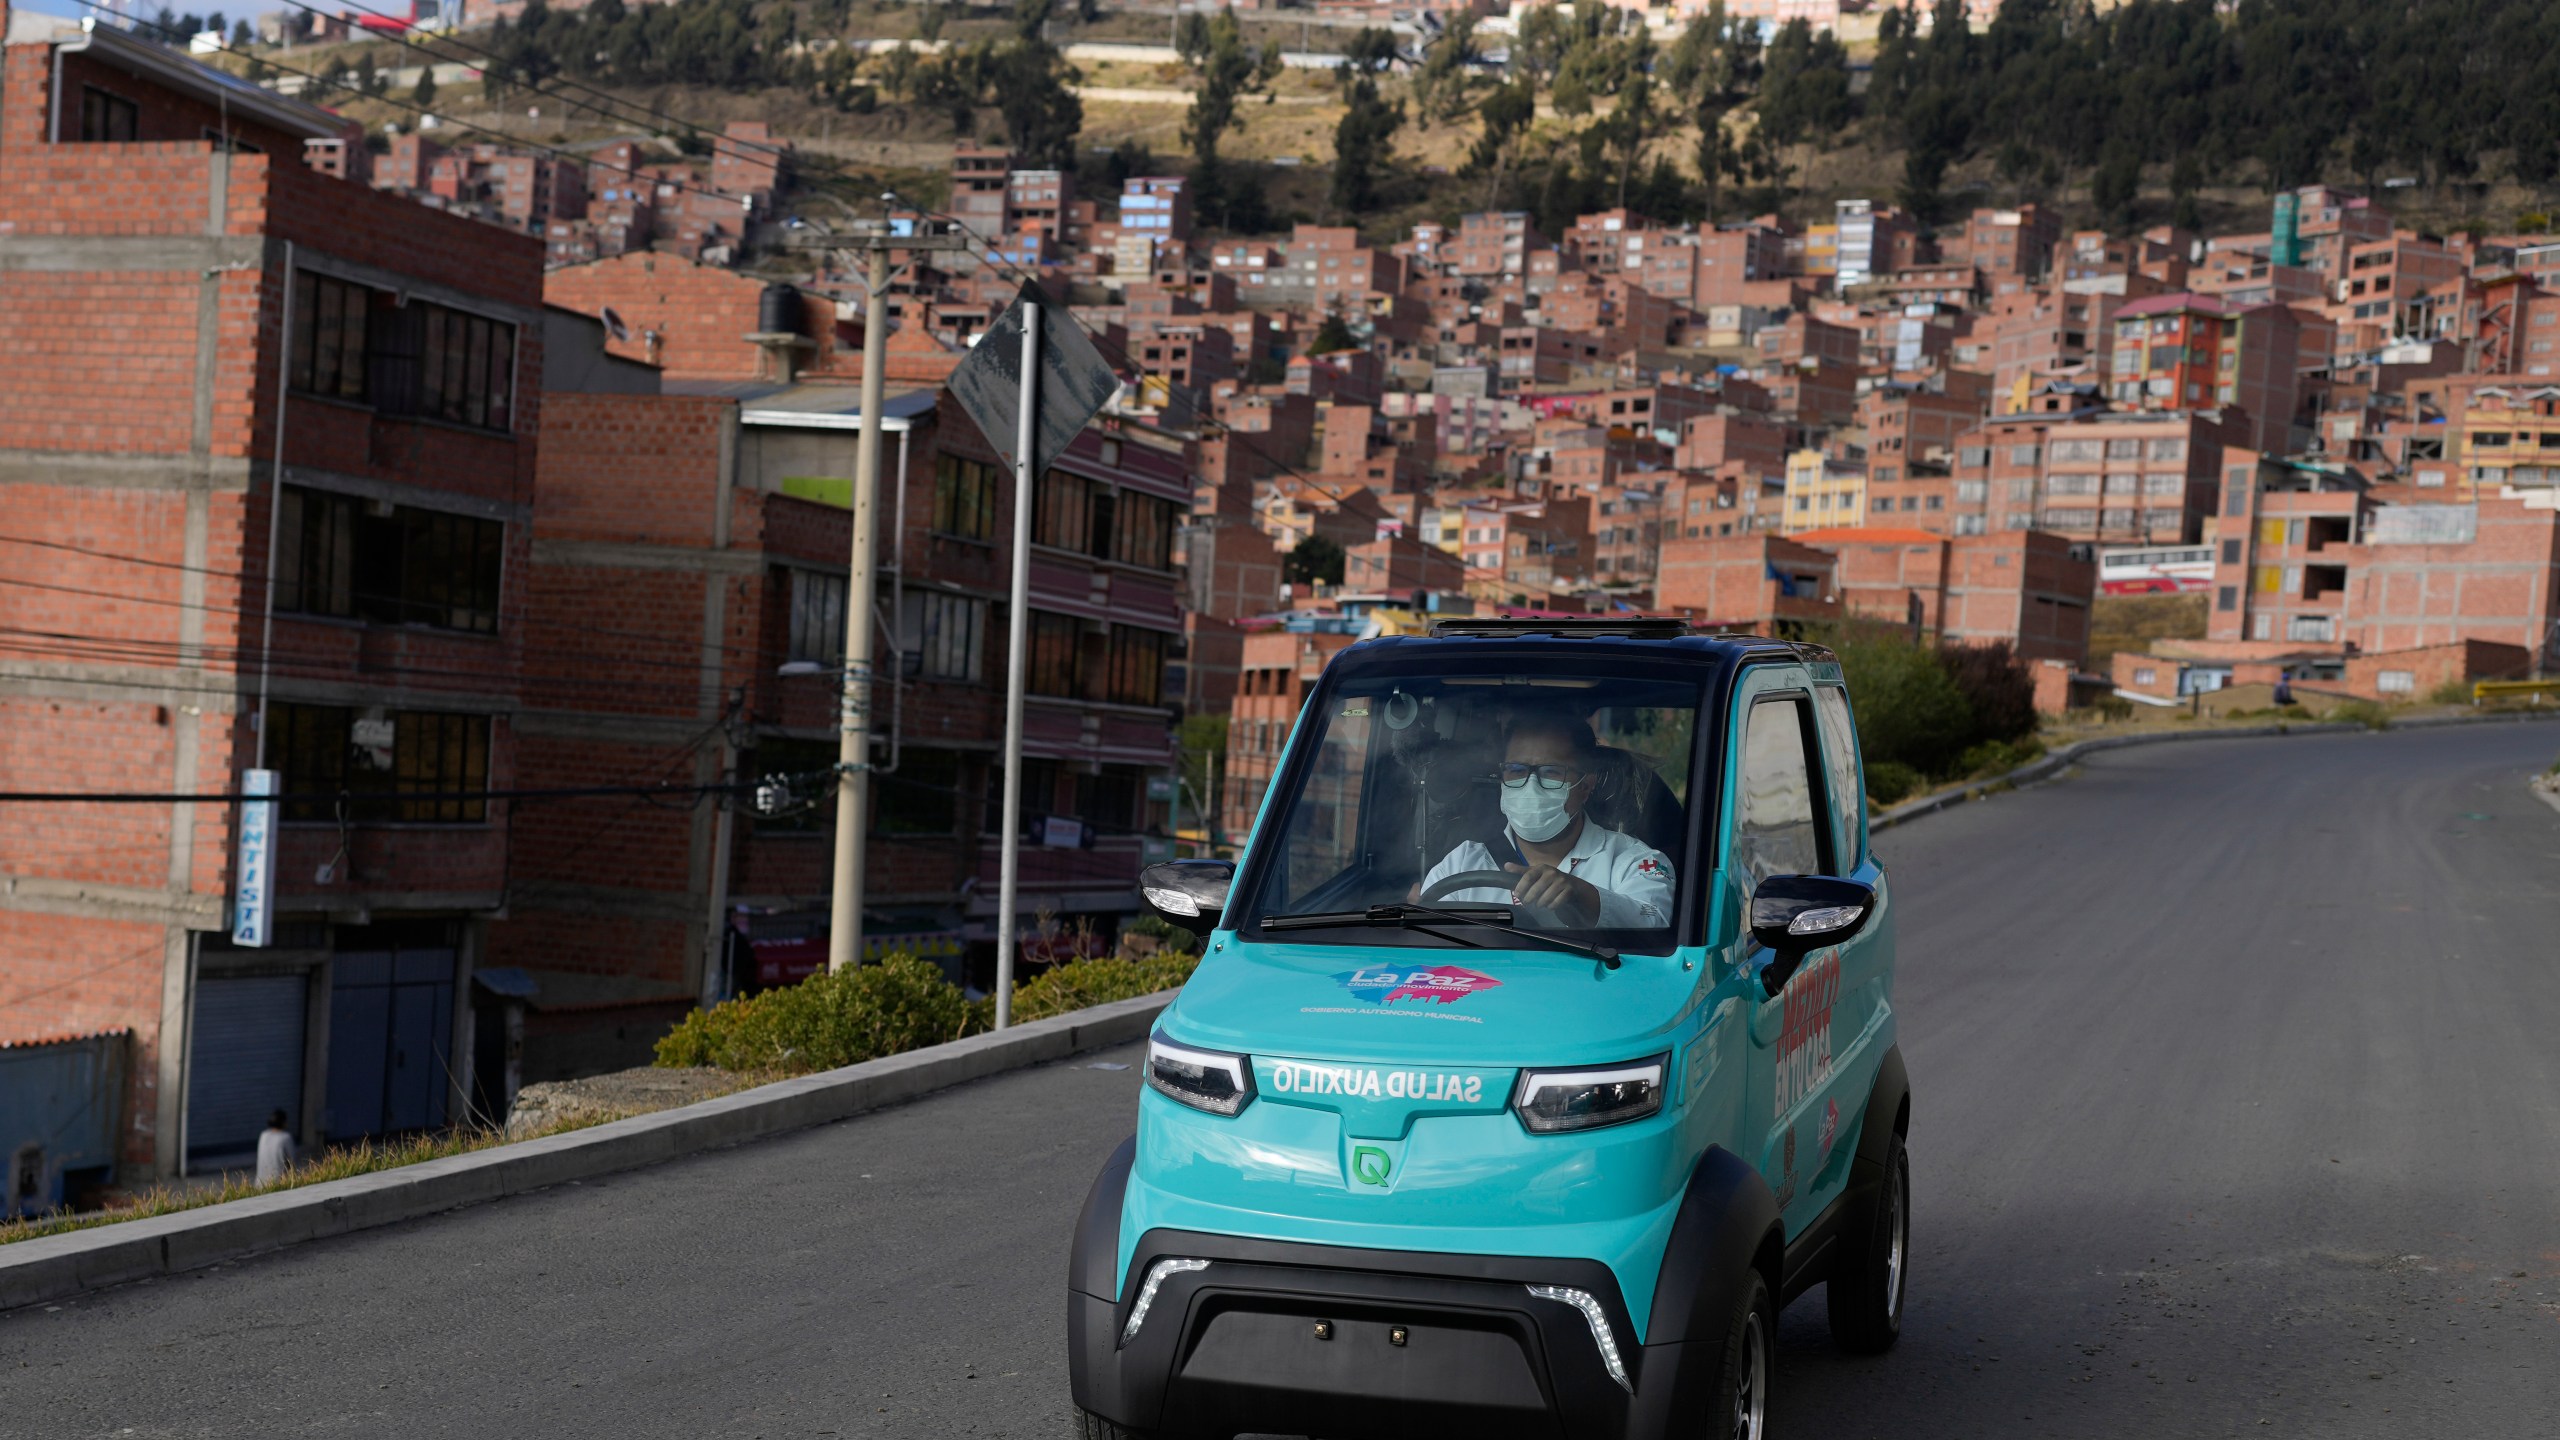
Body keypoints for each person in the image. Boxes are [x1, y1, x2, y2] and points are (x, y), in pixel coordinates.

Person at [1416, 712, 1674, 928]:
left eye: (1551, 771)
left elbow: (1655, 921)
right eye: (1516, 770)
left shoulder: (1635, 861)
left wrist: (1582, 895)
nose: (1530, 784)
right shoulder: (1461, 864)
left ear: (1586, 786)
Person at [255, 1109, 297, 1185]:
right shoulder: (286, 1138)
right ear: (283, 1122)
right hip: (278, 1184)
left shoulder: (263, 1135)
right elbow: (291, 1163)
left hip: (260, 1183)